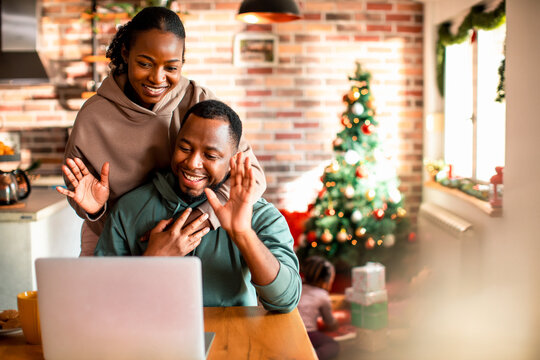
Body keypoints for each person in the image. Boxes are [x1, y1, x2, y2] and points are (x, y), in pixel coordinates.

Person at [57, 7, 266, 256]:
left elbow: (252, 175)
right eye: (145, 64)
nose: (157, 78)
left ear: (182, 63)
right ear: (126, 53)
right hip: (114, 241)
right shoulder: (93, 116)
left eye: (171, 67)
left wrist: (200, 219)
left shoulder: (198, 100)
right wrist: (94, 209)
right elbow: (81, 192)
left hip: (192, 240)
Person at [88, 100, 301, 313]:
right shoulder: (130, 208)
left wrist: (243, 234)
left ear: (232, 160)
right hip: (151, 340)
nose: (192, 163)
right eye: (185, 148)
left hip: (231, 342)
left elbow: (286, 300)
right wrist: (152, 262)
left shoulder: (261, 215)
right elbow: (100, 299)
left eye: (210, 155)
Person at [297, 256, 340, 360]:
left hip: (289, 331)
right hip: (307, 333)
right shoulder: (322, 295)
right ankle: (312, 356)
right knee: (333, 345)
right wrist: (335, 324)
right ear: (325, 280)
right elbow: (329, 322)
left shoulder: (298, 286)